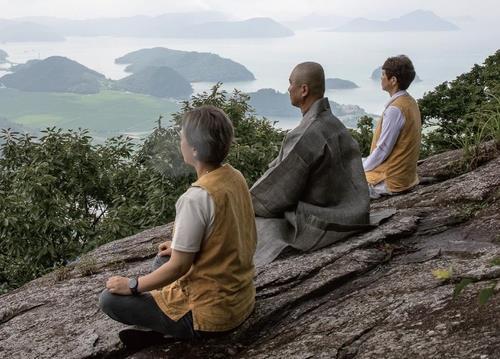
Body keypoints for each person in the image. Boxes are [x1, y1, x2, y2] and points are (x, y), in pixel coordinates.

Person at [99, 105, 257, 347]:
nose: (180, 141)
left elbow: (180, 267)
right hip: (241, 299)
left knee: (109, 300)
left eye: (182, 137)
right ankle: (159, 326)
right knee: (163, 258)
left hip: (211, 316)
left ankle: (172, 330)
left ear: (195, 149)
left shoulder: (195, 198)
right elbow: (230, 234)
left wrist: (132, 286)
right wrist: (180, 247)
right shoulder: (235, 177)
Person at [250, 62, 371, 267]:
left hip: (321, 216)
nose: (288, 89)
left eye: (291, 83)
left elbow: (276, 191)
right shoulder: (332, 123)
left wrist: (243, 202)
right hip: (351, 210)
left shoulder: (307, 134)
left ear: (303, 90)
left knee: (252, 224)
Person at [363, 55, 422, 199]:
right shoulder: (409, 102)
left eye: (383, 75)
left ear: (393, 80)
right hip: (405, 177)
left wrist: (361, 170)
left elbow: (383, 149)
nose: (381, 78)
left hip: (391, 182)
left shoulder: (395, 110)